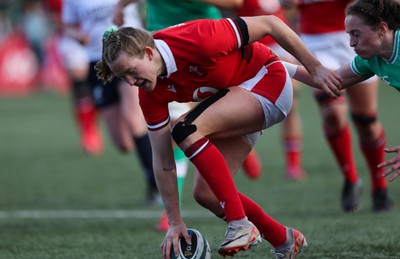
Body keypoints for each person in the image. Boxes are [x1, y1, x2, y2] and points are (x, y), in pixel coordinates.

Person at [96, 15, 341, 258]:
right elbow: (163, 161)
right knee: (207, 194)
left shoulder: (196, 39)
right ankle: (284, 240)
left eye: (130, 71)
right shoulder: (148, 93)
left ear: (149, 53)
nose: (130, 82)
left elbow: (272, 24)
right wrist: (174, 221)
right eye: (122, 78)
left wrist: (315, 69)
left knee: (185, 128)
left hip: (267, 82)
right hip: (236, 99)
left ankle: (239, 223)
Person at [113, 0, 262, 232]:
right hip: (158, 45)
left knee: (204, 115)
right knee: (176, 129)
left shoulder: (204, 37)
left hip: (200, 41)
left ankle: (229, 134)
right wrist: (119, 8)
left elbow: (235, 3)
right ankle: (172, 210)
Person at [280, 0, 392, 212]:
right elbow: (285, 5)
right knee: (332, 113)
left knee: (366, 121)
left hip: (356, 34)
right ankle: (350, 178)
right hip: (315, 42)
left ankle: (380, 186)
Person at [61, 0, 161, 206]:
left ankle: (156, 186)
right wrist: (78, 36)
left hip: (128, 58)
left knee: (134, 121)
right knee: (122, 143)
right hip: (96, 62)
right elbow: (66, 26)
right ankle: (163, 144)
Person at [236, 0, 306, 181]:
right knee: (238, 105)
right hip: (248, 47)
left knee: (291, 103)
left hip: (279, 46)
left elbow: (291, 6)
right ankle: (240, 144)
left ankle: (293, 164)